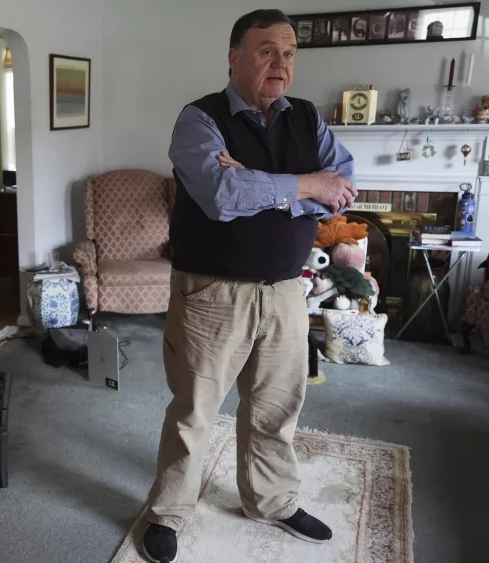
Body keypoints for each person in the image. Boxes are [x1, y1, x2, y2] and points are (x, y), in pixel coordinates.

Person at [141, 9, 357, 563]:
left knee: (277, 408)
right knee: (195, 411)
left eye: (288, 53)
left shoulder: (307, 118)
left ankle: (272, 501)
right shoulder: (199, 119)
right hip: (212, 293)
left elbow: (343, 186)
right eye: (266, 51)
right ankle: (169, 511)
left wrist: (265, 188)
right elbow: (221, 196)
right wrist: (306, 185)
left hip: (286, 290)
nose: (280, 63)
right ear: (234, 58)